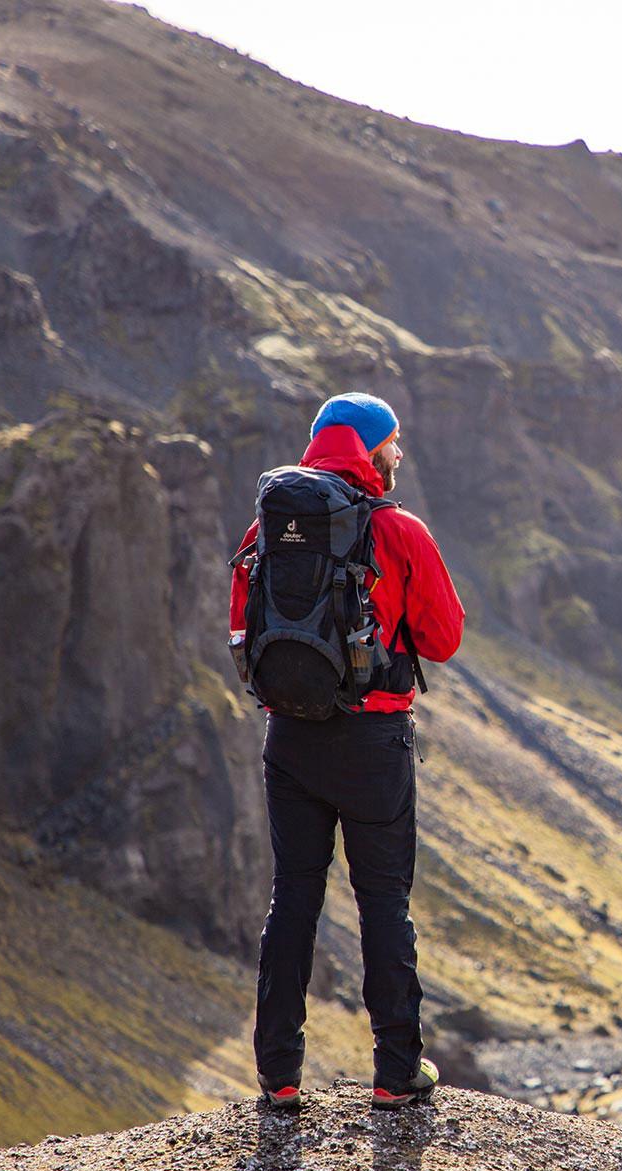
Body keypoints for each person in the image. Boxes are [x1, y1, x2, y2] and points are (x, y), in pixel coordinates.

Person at [228, 391, 465, 1112]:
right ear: (367, 449)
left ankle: (280, 1075)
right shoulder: (399, 532)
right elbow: (445, 639)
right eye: (391, 443)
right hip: (373, 741)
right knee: (383, 901)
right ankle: (396, 1073)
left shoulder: (266, 529)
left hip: (290, 738)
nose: (398, 455)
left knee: (293, 896)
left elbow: (243, 628)